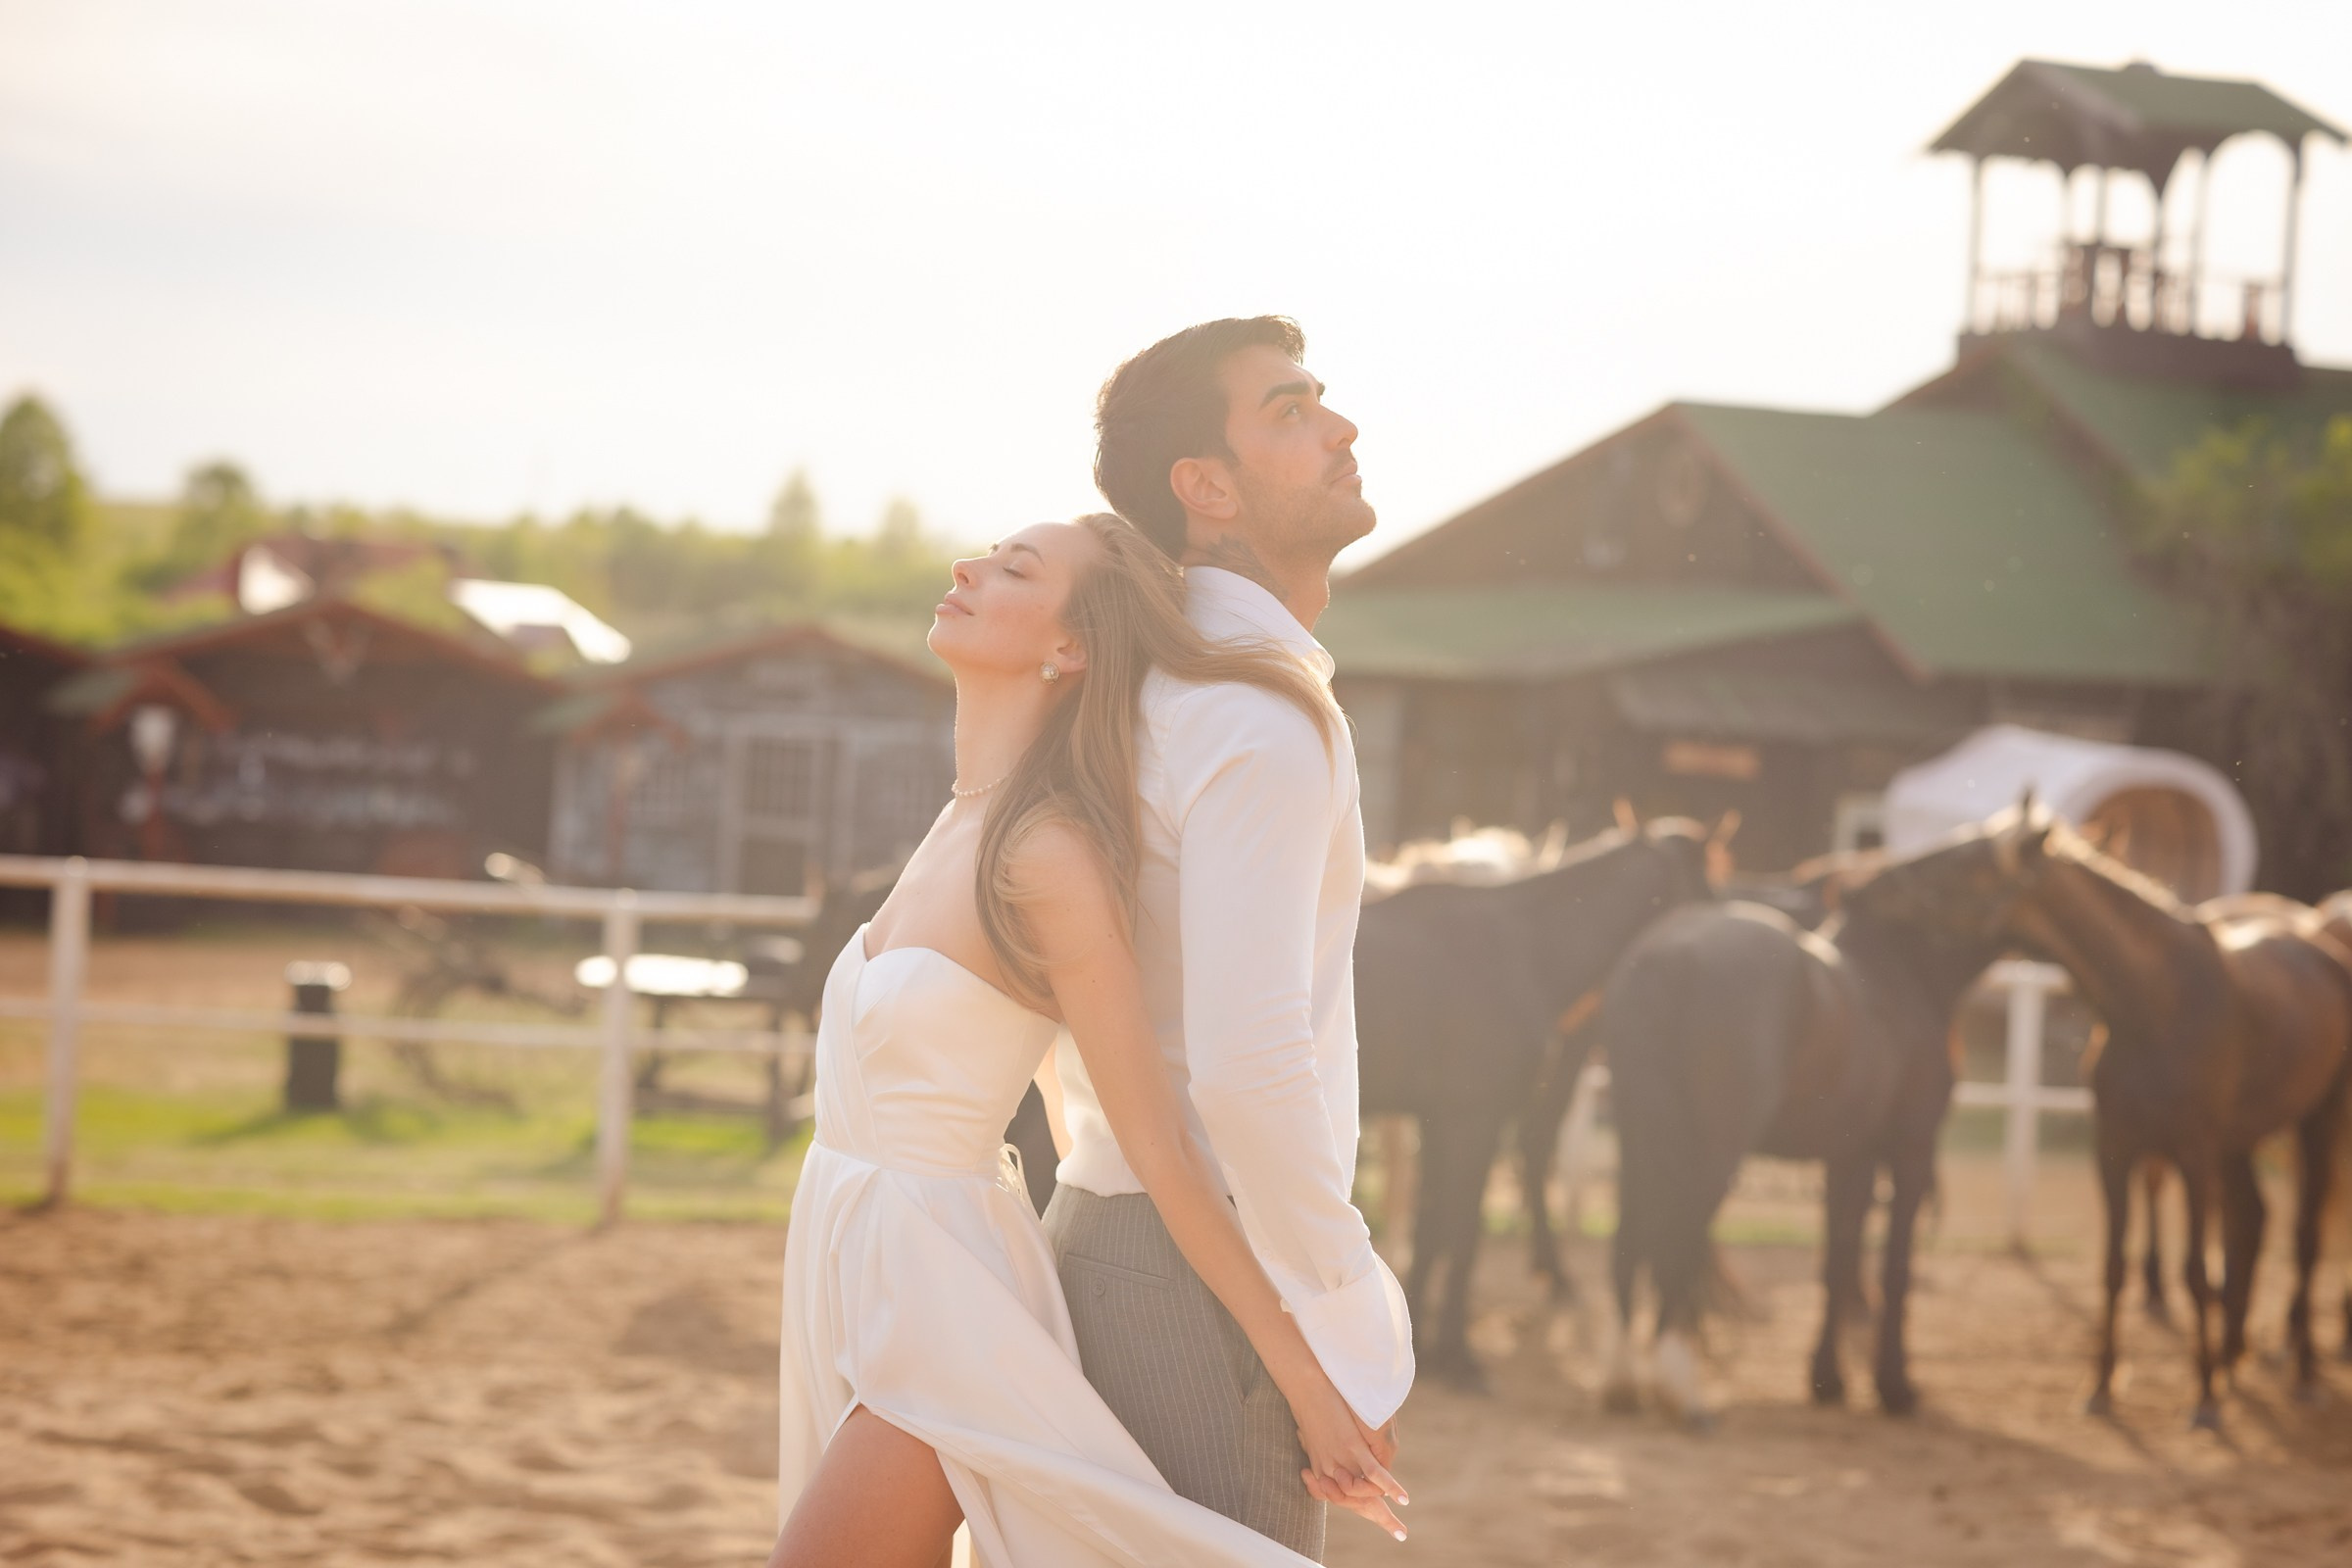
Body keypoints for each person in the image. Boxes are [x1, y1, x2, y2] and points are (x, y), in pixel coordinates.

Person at [769, 510, 1406, 1568]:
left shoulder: (1048, 851)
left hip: (941, 1300)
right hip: (850, 1262)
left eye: (1015, 567)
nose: (968, 565)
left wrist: (1305, 1372)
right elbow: (1060, 1098)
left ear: (1071, 647)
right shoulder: (959, 817)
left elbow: (1149, 1137)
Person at [1043, 317, 1410, 1560]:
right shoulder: (1255, 712)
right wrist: (1343, 1310)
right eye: (1292, 411)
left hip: (1108, 1233)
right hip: (1203, 1274)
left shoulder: (1151, 687)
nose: (1342, 427)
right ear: (1204, 488)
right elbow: (1252, 1071)